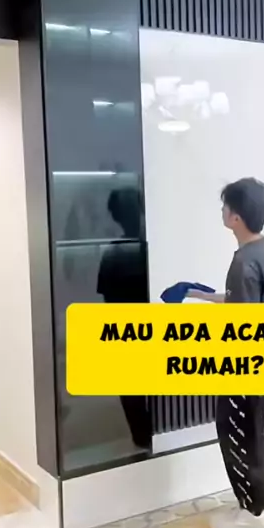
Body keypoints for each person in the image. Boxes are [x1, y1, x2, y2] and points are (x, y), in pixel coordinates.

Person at [188, 177, 264, 528]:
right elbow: (244, 302)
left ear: (236, 217)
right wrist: (199, 294)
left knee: (234, 430)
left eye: (225, 207)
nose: (223, 211)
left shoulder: (243, 261)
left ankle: (252, 514)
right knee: (253, 430)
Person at [97, 187, 153, 452]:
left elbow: (108, 301)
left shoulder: (113, 253)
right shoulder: (149, 247)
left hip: (126, 332)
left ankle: (142, 437)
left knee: (132, 391)